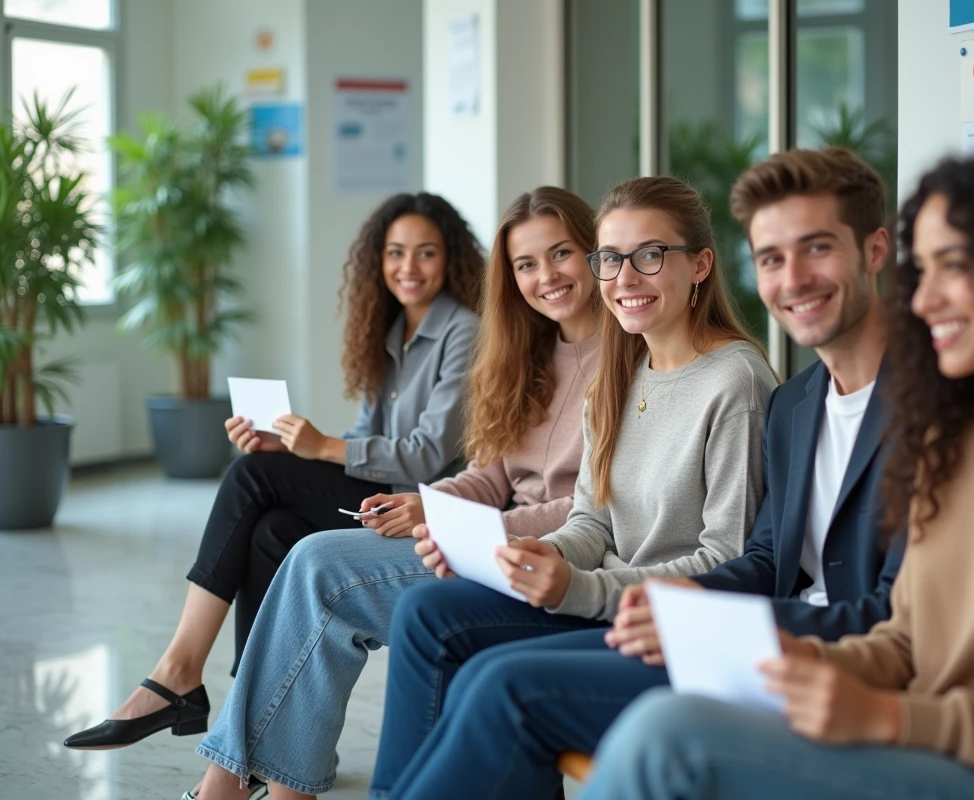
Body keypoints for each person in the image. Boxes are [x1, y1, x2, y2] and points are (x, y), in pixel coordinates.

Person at [578, 147, 974, 800]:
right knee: (668, 718)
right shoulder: (958, 433)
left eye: (953, 268)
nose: (924, 299)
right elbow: (907, 637)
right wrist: (809, 661)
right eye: (922, 270)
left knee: (671, 739)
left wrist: (890, 717)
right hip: (926, 740)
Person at [375, 147, 907, 800]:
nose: (625, 276)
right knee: (432, 614)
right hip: (658, 606)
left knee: (500, 683)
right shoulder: (795, 404)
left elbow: (748, 563)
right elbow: (601, 519)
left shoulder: (749, 384)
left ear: (701, 265)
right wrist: (536, 554)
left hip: (740, 635)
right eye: (611, 258)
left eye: (650, 255)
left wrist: (599, 591)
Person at [185, 187, 603, 800]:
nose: (545, 277)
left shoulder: (620, 357)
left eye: (561, 253)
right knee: (289, 539)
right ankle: (259, 782)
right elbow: (490, 474)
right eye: (526, 264)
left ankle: (221, 767)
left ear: (597, 254)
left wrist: (448, 514)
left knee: (315, 558)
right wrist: (429, 505)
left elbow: (592, 509)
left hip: (542, 556)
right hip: (479, 538)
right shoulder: (528, 349)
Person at [64, 193, 483, 752]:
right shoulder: (390, 333)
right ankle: (259, 722)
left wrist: (317, 446)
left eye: (425, 253)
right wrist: (294, 448)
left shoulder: (465, 330)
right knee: (273, 531)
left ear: (451, 259)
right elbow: (365, 436)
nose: (408, 268)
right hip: (381, 486)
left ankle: (178, 672)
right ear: (377, 261)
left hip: (421, 503)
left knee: (252, 473)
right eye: (395, 253)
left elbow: (428, 453)